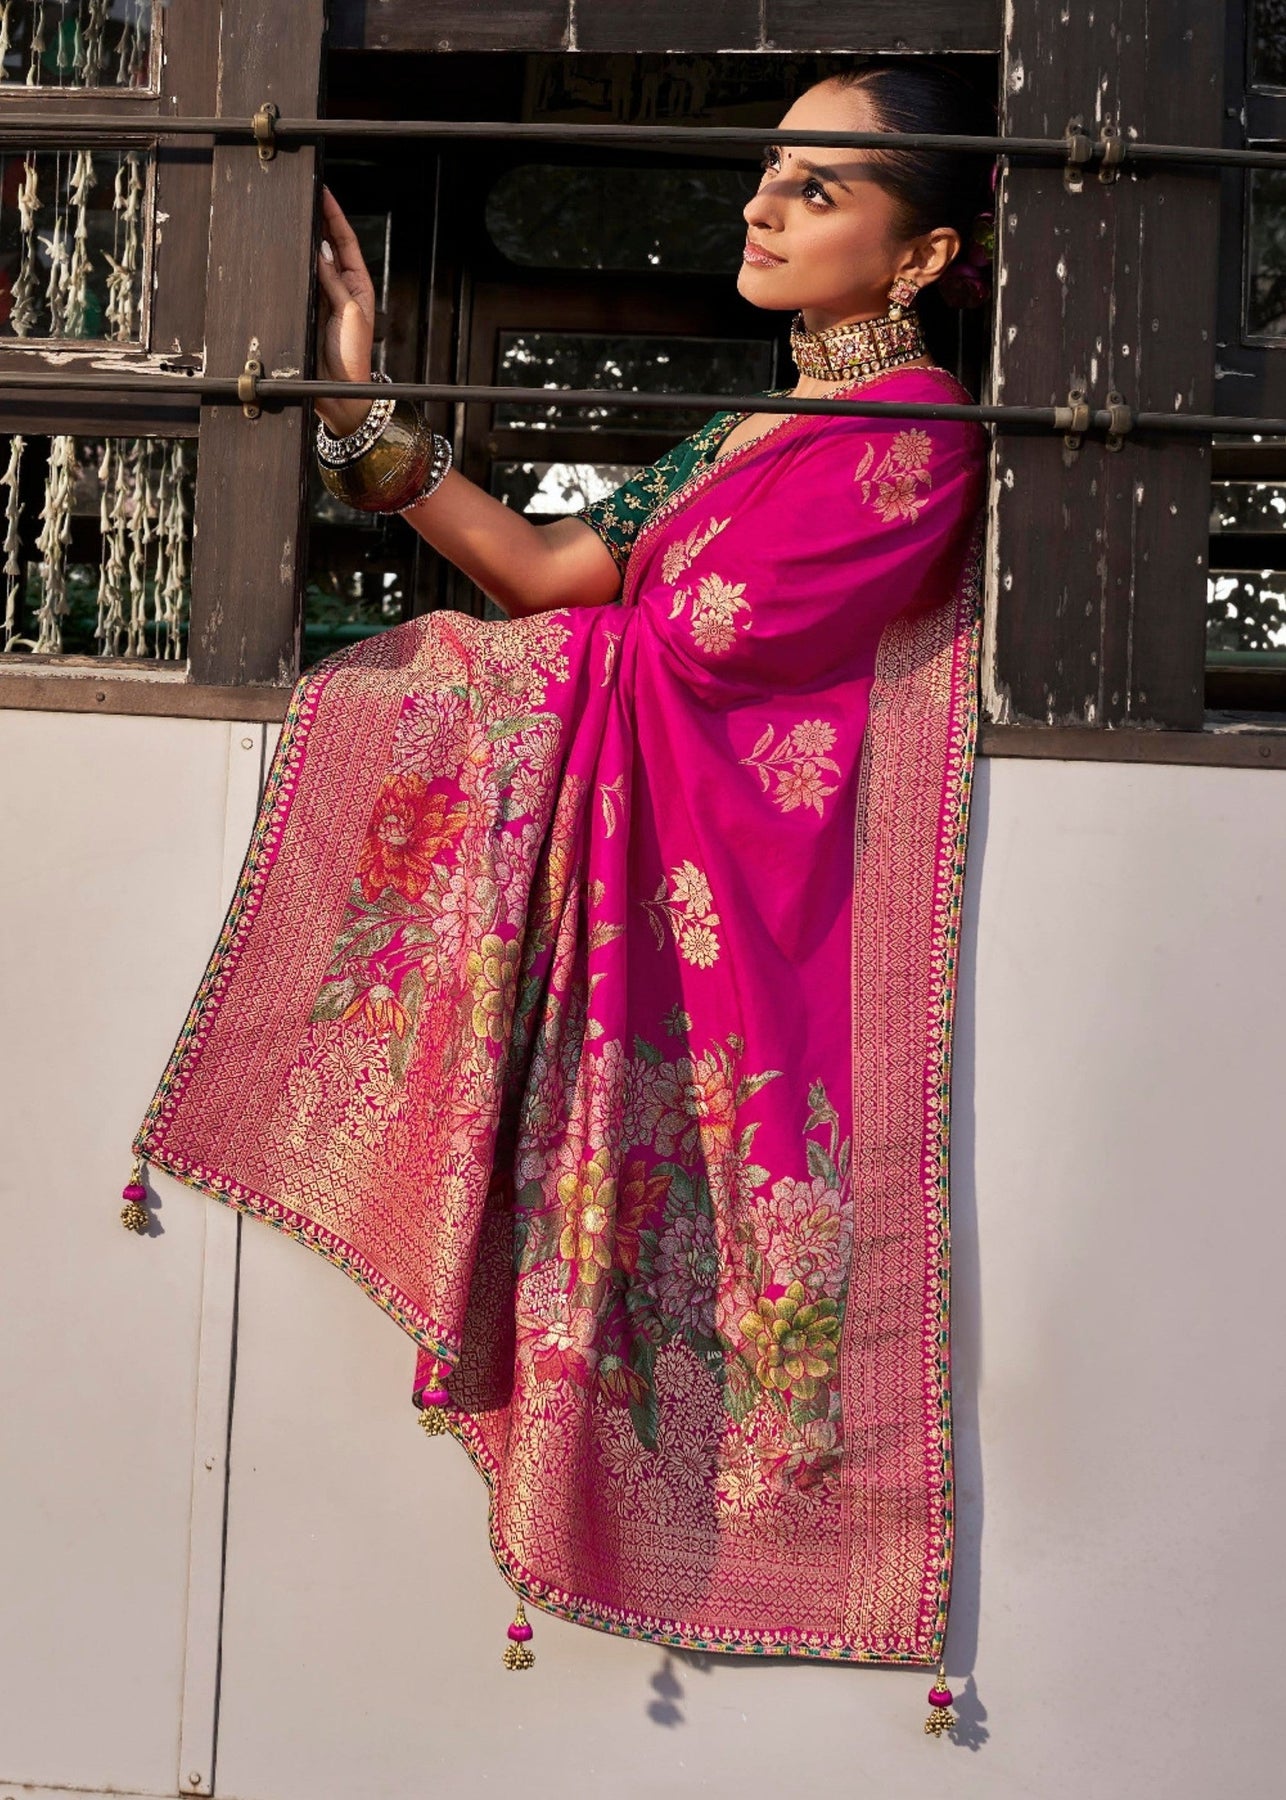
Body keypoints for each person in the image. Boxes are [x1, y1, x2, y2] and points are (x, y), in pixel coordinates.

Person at [130, 59, 993, 1705]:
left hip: (755, 920)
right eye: (768, 169)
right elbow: (545, 574)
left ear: (923, 257)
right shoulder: (760, 426)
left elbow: (697, 650)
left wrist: (488, 671)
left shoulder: (915, 443)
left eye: (816, 187)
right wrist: (353, 394)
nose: (760, 205)